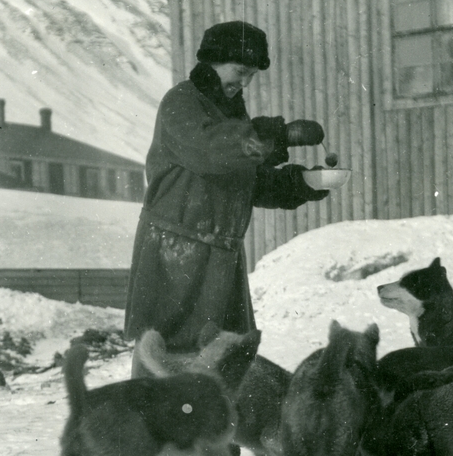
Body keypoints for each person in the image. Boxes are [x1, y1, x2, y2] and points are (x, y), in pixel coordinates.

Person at [124, 20, 329, 352]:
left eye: (251, 76)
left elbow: (246, 182)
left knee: (223, 361)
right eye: (241, 71)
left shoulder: (229, 113)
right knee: (169, 359)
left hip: (219, 258)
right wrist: (280, 133)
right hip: (176, 255)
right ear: (213, 60)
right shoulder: (182, 102)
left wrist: (303, 182)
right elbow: (210, 151)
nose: (244, 82)